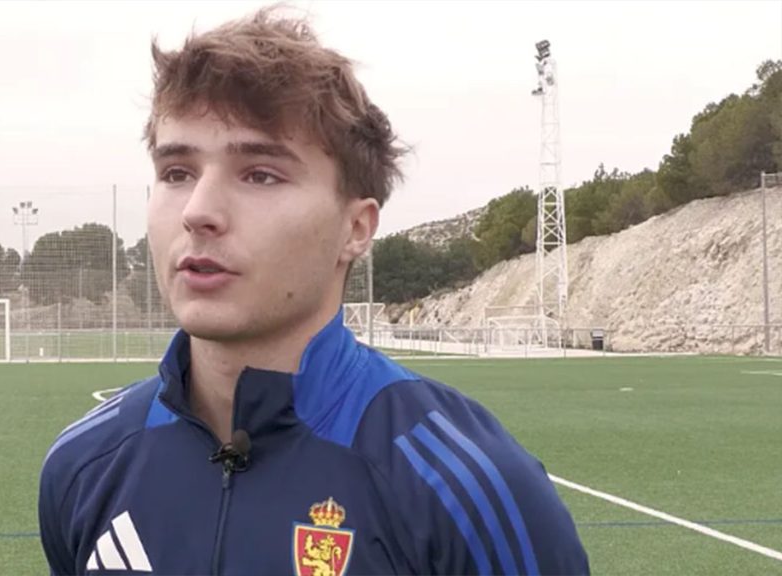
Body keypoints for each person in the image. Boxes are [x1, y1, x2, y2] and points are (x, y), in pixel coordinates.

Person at [39, 7, 589, 575]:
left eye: (260, 174)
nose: (198, 211)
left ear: (356, 228)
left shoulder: (468, 486)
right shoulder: (84, 464)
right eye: (177, 172)